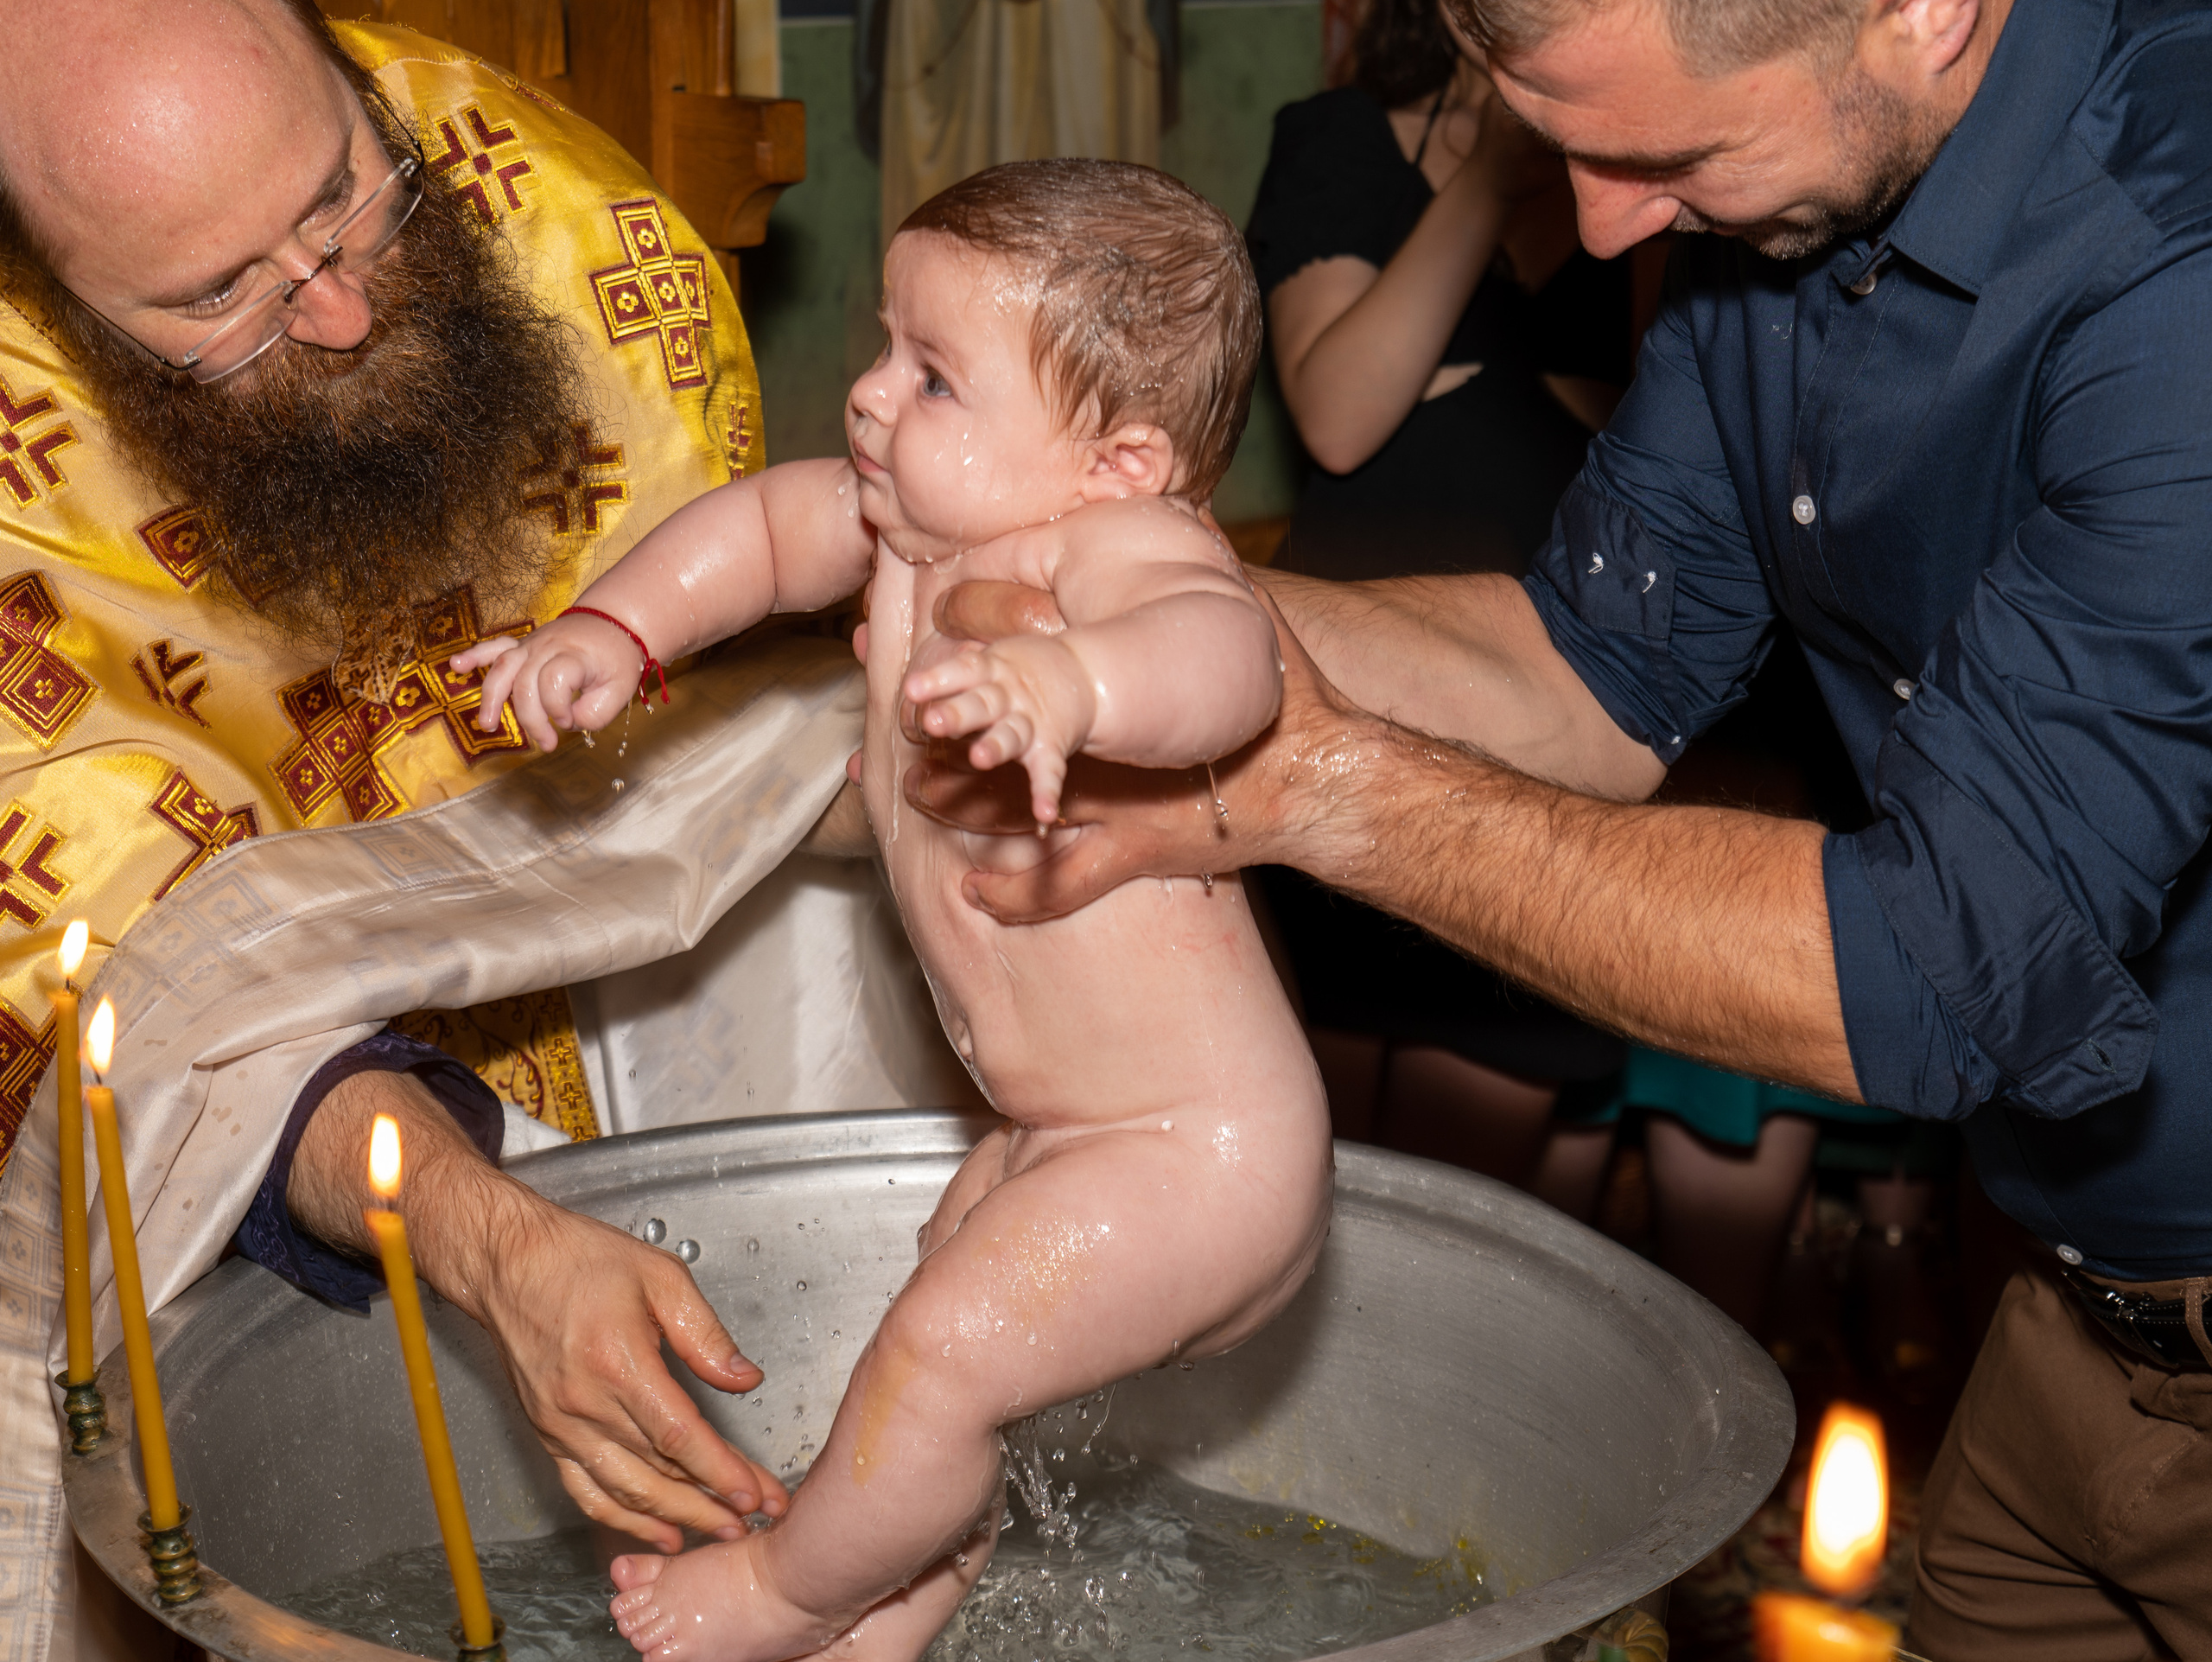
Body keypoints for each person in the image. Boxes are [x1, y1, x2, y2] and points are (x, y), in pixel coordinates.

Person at [906, 0, 2212, 1652]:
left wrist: (1319, 786)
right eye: (1567, 151)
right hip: (2074, 1326)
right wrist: (1113, 613)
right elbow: (1586, 666)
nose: (1600, 227)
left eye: (1665, 153)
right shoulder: (1797, 190)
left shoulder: (2179, 262)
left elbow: (1936, 973)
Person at [0, 5, 948, 1654]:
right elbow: (127, 999)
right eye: (217, 299)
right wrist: (492, 1239)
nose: (345, 307)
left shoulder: (544, 212)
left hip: (627, 985)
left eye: (340, 200)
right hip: (270, 1133)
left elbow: (731, 740)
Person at [465, 158, 1333, 1662]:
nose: (868, 396)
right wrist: (619, 629)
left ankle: (787, 1591)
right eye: (884, 344)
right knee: (937, 1339)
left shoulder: (1115, 553)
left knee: (944, 1356)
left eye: (933, 377)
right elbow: (751, 533)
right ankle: (893, 1607)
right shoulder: (900, 536)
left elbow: (1228, 657)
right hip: (1055, 1131)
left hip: (1204, 1151)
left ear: (1119, 461)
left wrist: (1074, 681)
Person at [1243, 0, 1632, 1194]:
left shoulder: (1609, 187)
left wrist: (1486, 358)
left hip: (1526, 726)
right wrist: (1487, 177)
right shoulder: (1343, 139)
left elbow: (1612, 447)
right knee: (1315, 1196)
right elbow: (1342, 416)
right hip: (1354, 709)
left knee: (1468, 1205)